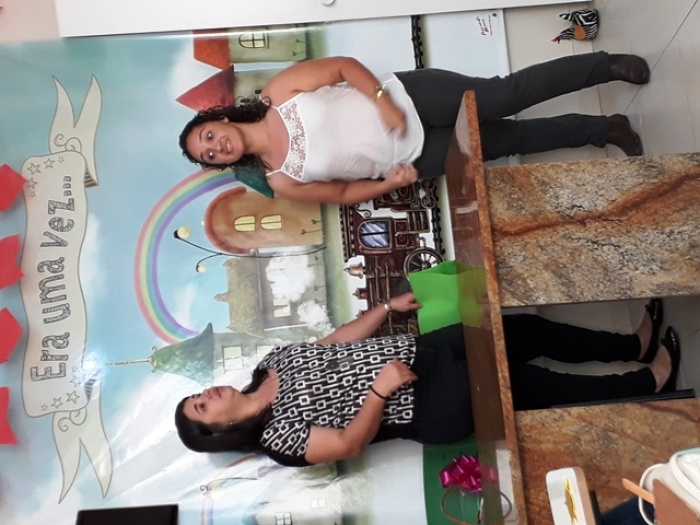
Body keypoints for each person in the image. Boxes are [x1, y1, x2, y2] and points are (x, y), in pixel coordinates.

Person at [174, 294, 681, 467]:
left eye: (198, 394)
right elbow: (348, 445)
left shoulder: (271, 364)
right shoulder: (276, 439)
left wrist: (386, 308)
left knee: (526, 330)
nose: (207, 395)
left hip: (426, 351)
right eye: (202, 407)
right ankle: (645, 384)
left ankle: (630, 345)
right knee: (532, 384)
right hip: (429, 403)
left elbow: (335, 342)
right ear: (219, 431)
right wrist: (380, 391)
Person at [179, 52, 649, 205]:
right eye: (210, 155)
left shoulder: (277, 94)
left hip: (411, 96)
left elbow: (342, 67)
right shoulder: (282, 180)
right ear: (222, 163)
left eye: (208, 136)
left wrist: (383, 102)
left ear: (218, 119)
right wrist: (388, 183)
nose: (217, 146)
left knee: (505, 96)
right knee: (512, 141)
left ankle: (604, 66)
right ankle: (605, 129)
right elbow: (342, 193)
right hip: (415, 156)